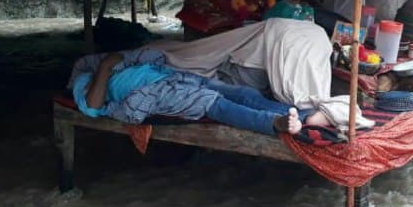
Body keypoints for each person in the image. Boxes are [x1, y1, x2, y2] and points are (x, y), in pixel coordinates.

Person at [69, 49, 330, 136]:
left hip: (174, 77)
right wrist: (103, 69)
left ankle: (305, 116)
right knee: (216, 105)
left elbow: (150, 55)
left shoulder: (114, 64)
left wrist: (115, 61)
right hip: (158, 94)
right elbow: (93, 108)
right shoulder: (86, 83)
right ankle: (275, 123)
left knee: (239, 92)